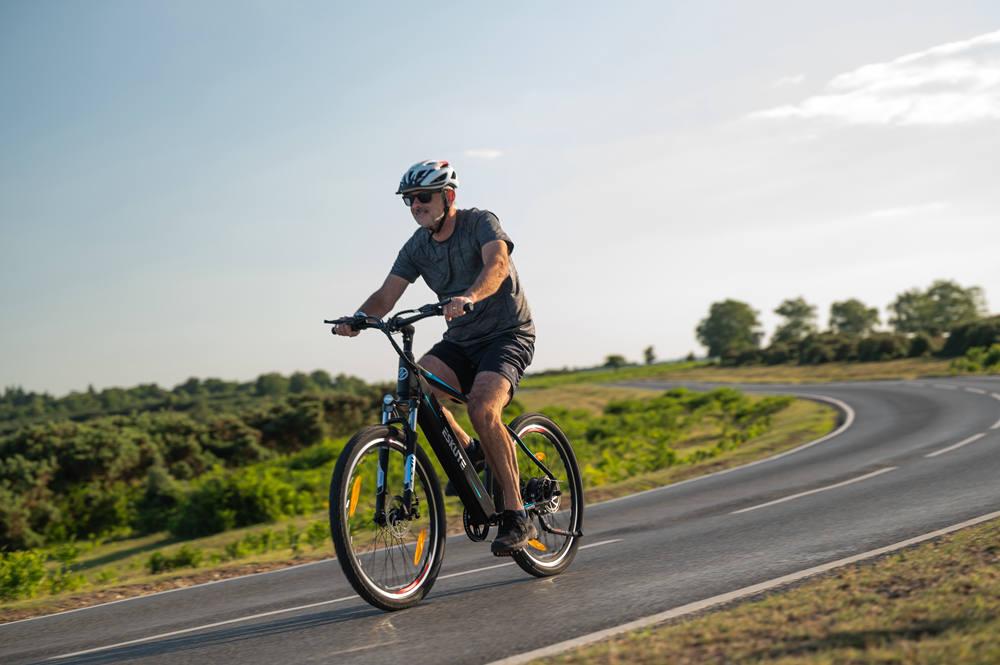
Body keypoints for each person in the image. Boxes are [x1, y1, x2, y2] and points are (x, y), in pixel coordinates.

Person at [333, 159, 538, 554]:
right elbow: (386, 295)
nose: (415, 206)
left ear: (448, 196)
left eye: (423, 198)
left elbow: (498, 265)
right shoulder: (416, 247)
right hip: (462, 341)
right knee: (416, 386)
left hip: (507, 334)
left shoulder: (480, 223)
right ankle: (473, 451)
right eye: (409, 201)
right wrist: (359, 319)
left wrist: (470, 297)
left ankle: (516, 515)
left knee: (482, 408)